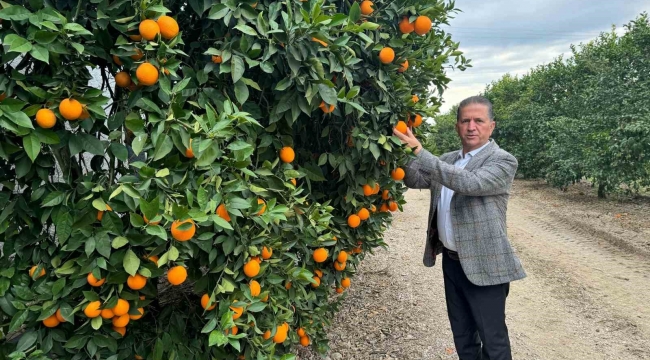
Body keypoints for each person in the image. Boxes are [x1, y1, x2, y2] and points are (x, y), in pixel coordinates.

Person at [392, 96, 526, 360]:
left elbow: (470, 183)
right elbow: (415, 178)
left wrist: (421, 152)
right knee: (463, 337)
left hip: (484, 263)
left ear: (492, 126)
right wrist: (403, 150)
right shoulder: (449, 159)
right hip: (452, 263)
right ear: (457, 127)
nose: (471, 126)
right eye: (465, 120)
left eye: (479, 120)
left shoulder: (502, 161)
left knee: (493, 341)